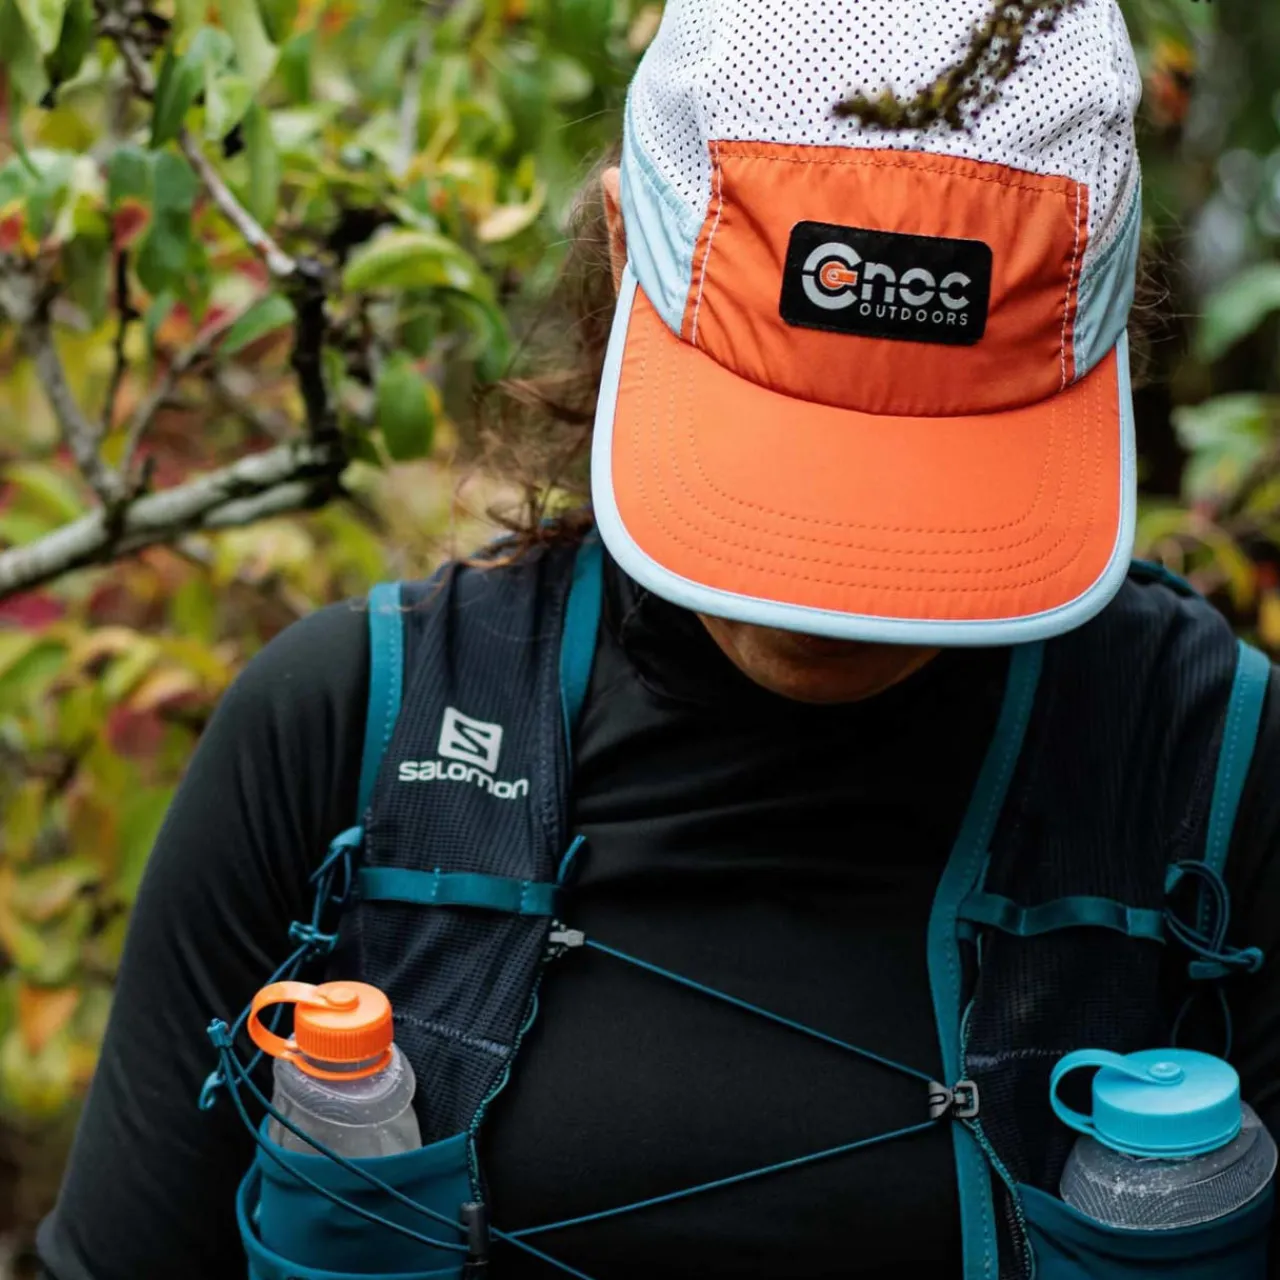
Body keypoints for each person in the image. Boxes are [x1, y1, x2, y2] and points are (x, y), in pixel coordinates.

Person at [35, 1, 1280, 1278]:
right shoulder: (345, 729)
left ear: (1101, 319)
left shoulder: (1213, 767)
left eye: (926, 461)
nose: (828, 587)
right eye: (785, 440)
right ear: (626, 242)